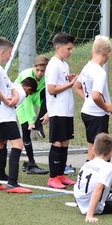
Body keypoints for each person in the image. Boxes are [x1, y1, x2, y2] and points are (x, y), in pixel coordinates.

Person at [0, 36, 36, 194]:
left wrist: (13, 95)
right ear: (2, 52)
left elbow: (11, 86)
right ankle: (12, 183)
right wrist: (6, 101)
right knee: (18, 144)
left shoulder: (0, 69)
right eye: (10, 53)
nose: (11, 56)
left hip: (0, 115)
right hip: (3, 115)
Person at [45, 31, 78, 189]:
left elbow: (61, 84)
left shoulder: (64, 64)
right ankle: (53, 177)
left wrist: (69, 79)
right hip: (57, 110)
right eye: (68, 48)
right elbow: (51, 89)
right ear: (58, 48)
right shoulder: (53, 64)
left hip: (66, 109)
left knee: (65, 142)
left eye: (72, 48)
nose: (71, 51)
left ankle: (60, 175)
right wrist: (71, 84)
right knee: (57, 142)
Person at [74, 35, 112, 161]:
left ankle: (87, 176)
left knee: (92, 146)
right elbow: (96, 96)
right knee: (101, 150)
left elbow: (77, 86)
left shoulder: (87, 66)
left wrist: (88, 100)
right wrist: (106, 107)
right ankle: (95, 175)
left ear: (92, 51)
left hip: (87, 112)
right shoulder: (99, 72)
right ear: (108, 54)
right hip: (97, 115)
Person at [15, 55, 49, 175]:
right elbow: (26, 99)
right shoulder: (27, 76)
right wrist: (30, 120)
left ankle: (39, 124)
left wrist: (48, 112)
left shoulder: (46, 77)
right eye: (37, 70)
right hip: (20, 100)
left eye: (43, 71)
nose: (40, 73)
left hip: (34, 95)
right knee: (26, 130)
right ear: (33, 67)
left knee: (47, 95)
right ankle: (31, 164)